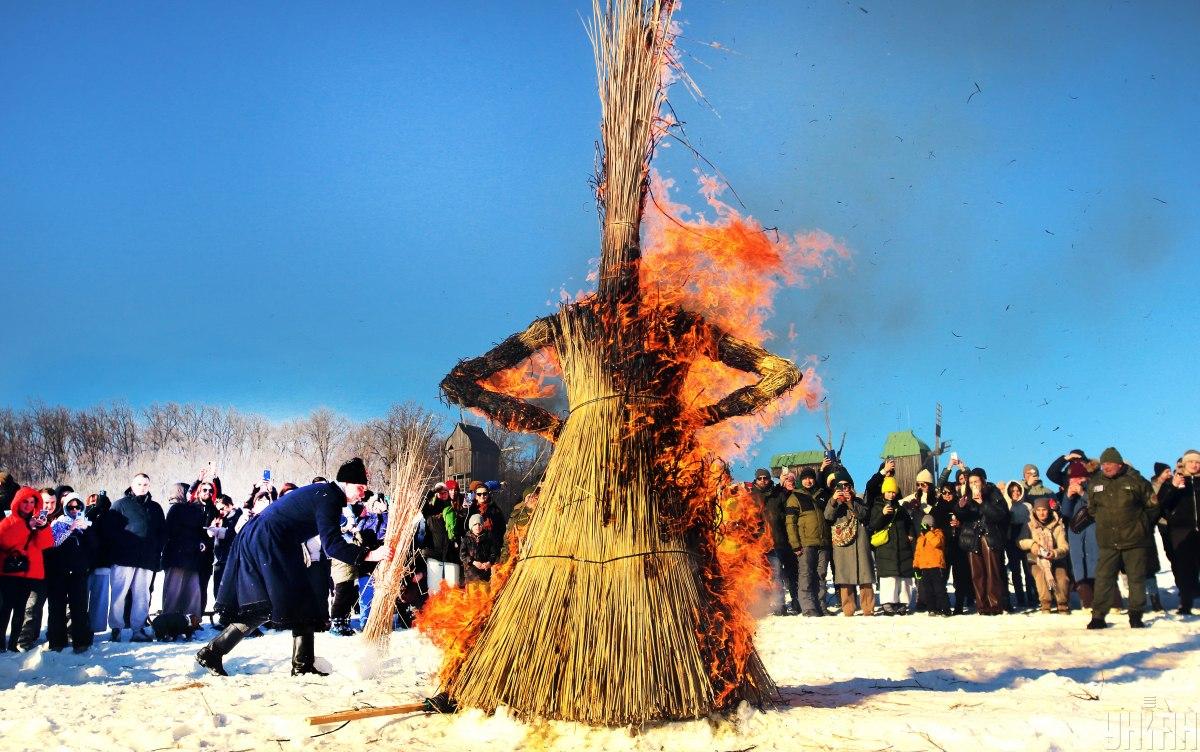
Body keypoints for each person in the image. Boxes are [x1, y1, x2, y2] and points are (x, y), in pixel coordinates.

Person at [197, 458, 386, 676]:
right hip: (269, 540)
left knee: (278, 604)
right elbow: (332, 545)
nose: (363, 494)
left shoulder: (326, 493)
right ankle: (300, 666)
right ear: (347, 483)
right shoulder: (329, 497)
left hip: (267, 539)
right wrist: (370, 555)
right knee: (288, 601)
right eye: (361, 488)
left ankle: (214, 653)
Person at [1085, 447, 1157, 630]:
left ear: (1119, 464)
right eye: (1103, 464)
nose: (1106, 467)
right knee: (1103, 578)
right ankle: (1098, 616)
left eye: (1109, 463)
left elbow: (1153, 507)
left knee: (1136, 578)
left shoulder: (1137, 480)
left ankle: (1135, 615)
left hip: (1135, 540)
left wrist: (1142, 525)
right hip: (1108, 541)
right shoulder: (1095, 483)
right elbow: (1092, 509)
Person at [103, 473, 166, 642]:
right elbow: (109, 532)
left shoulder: (155, 507)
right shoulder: (120, 505)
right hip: (124, 559)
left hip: (146, 559)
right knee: (119, 595)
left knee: (142, 596)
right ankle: (116, 628)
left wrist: (157, 552)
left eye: (145, 484)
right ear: (132, 485)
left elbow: (162, 533)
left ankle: (138, 629)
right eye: (139, 484)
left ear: (149, 486)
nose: (142, 487)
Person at [0, 488, 54, 651]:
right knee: (4, 609)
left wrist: (43, 528)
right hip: (8, 573)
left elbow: (45, 544)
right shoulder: (9, 521)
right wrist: (26, 527)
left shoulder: (37, 520)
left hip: (28, 573)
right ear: (17, 502)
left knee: (21, 610)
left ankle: (14, 643)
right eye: (25, 501)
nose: (28, 505)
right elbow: (5, 541)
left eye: (32, 502)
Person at [955, 468, 1008, 615]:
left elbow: (1000, 514)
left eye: (976, 482)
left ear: (983, 482)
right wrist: (960, 507)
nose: (973, 485)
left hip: (989, 536)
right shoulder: (967, 495)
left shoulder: (993, 493)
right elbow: (962, 515)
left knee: (992, 571)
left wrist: (982, 503)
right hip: (972, 536)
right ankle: (982, 605)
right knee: (977, 573)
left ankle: (995, 605)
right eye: (971, 482)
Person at [46, 492, 95, 652]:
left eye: (78, 506)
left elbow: (94, 547)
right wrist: (69, 529)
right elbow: (53, 543)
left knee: (79, 607)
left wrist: (87, 530)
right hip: (58, 572)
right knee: (57, 608)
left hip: (79, 572)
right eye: (71, 507)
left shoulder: (86, 524)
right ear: (65, 508)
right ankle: (57, 642)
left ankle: (81, 642)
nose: (74, 510)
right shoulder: (59, 522)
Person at [824, 472, 875, 616]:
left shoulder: (858, 501)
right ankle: (848, 609)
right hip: (842, 545)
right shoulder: (833, 502)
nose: (844, 488)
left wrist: (850, 502)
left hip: (860, 542)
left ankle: (868, 608)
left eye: (846, 485)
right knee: (845, 577)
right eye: (840, 486)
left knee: (865, 576)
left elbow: (864, 515)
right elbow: (828, 516)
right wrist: (834, 501)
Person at [160, 482, 210, 629]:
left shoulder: (193, 510)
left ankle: (191, 623)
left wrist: (200, 542)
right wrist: (195, 543)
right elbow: (174, 533)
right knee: (173, 593)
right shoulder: (176, 509)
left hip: (191, 558)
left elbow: (198, 531)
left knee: (193, 592)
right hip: (177, 558)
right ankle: (168, 623)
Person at [1157, 449, 1200, 615]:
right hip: (1181, 529)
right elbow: (1162, 505)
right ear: (1184, 463)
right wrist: (1173, 487)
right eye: (1191, 462)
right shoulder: (1172, 482)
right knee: (1184, 568)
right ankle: (1186, 603)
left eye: (1197, 462)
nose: (1195, 465)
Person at [784, 466, 831, 616]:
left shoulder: (822, 494)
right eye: (805, 478)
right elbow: (790, 523)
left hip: (823, 542)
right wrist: (795, 545)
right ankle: (808, 608)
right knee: (806, 574)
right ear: (800, 480)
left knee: (821, 575)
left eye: (810, 478)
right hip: (805, 543)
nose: (808, 481)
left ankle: (821, 606)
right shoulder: (795, 497)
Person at [751, 468, 799, 615]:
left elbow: (787, 513)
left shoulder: (778, 493)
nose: (763, 480)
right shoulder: (751, 497)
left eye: (765, 478)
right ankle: (780, 605)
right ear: (756, 480)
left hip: (784, 540)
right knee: (775, 575)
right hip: (767, 544)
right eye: (760, 478)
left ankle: (797, 602)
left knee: (792, 574)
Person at [867, 472, 915, 616]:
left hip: (902, 547)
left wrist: (910, 534)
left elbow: (909, 523)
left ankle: (903, 602)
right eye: (888, 491)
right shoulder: (877, 506)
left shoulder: (900, 508)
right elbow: (873, 525)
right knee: (889, 576)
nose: (891, 494)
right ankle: (887, 603)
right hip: (886, 548)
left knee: (904, 577)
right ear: (883, 492)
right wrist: (883, 514)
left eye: (893, 492)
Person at [1018, 497, 1071, 613]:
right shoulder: (1029, 525)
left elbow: (1064, 546)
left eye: (1044, 510)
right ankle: (1045, 604)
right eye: (1038, 510)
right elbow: (1020, 542)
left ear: (1049, 511)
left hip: (1056, 558)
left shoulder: (1057, 525)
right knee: (1040, 576)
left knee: (1062, 577)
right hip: (1035, 559)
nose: (1041, 513)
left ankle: (1062, 604)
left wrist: (1055, 553)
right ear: (1035, 511)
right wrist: (1032, 544)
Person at [421, 482, 464, 594]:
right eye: (440, 492)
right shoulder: (429, 510)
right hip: (434, 553)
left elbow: (461, 529)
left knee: (453, 589)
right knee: (434, 590)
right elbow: (420, 505)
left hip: (451, 554)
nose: (443, 494)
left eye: (445, 492)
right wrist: (432, 491)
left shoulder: (453, 509)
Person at [84, 491, 112, 634]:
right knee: (81, 597)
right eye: (92, 502)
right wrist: (94, 511)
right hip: (86, 563)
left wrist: (104, 511)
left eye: (98, 502)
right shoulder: (84, 515)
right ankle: (80, 625)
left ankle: (96, 627)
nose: (96, 504)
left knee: (100, 597)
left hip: (103, 561)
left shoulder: (109, 516)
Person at [912, 513, 950, 616]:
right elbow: (917, 553)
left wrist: (928, 533)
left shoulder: (938, 534)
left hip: (936, 566)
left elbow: (937, 543)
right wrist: (916, 566)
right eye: (926, 526)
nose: (929, 528)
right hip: (924, 567)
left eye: (930, 526)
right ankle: (932, 608)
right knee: (928, 590)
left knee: (939, 589)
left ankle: (945, 608)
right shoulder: (921, 538)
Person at [460, 513, 498, 592]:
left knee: (484, 595)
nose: (477, 527)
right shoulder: (466, 539)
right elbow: (462, 555)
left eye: (479, 524)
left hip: (484, 574)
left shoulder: (489, 538)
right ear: (471, 526)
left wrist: (489, 563)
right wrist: (473, 562)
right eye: (475, 524)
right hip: (471, 574)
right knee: (472, 596)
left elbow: (494, 554)